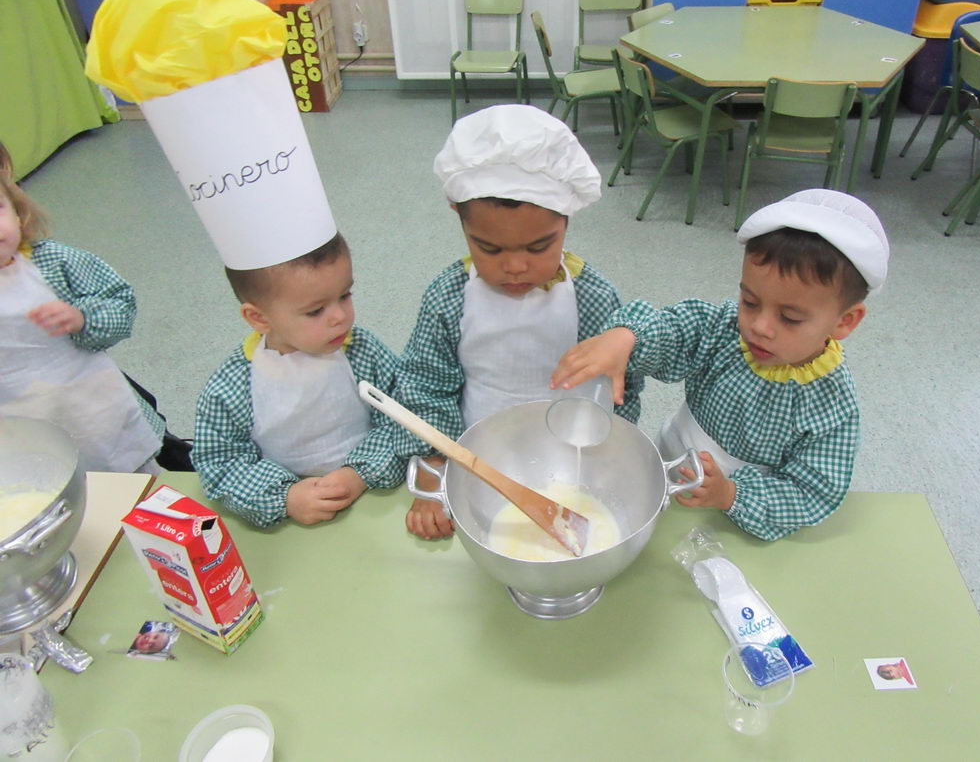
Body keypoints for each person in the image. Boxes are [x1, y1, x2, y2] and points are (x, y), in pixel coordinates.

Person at [551, 189, 889, 541]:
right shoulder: (725, 330)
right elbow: (676, 330)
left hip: (738, 516)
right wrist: (627, 336)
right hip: (669, 465)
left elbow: (810, 491)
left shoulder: (832, 404)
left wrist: (729, 494)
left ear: (845, 321)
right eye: (750, 301)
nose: (759, 326)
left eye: (789, 318)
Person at [394, 104, 643, 540]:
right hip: (478, 461)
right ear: (458, 217)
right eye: (489, 249)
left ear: (566, 221)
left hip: (580, 463)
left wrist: (616, 450)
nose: (514, 266)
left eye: (538, 247)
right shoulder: (448, 297)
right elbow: (425, 388)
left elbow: (624, 386)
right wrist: (435, 469)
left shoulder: (594, 296)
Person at [192, 233, 405, 527]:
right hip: (291, 520)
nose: (340, 317)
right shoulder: (231, 388)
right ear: (259, 318)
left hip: (376, 495)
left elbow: (405, 413)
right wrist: (285, 497)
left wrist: (359, 473)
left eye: (345, 295)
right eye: (316, 311)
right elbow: (220, 463)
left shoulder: (361, 351)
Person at [0, 174, 165, 472]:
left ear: (17, 211)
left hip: (97, 412)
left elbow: (121, 303)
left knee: (140, 488)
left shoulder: (53, 262)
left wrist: (84, 318)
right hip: (22, 432)